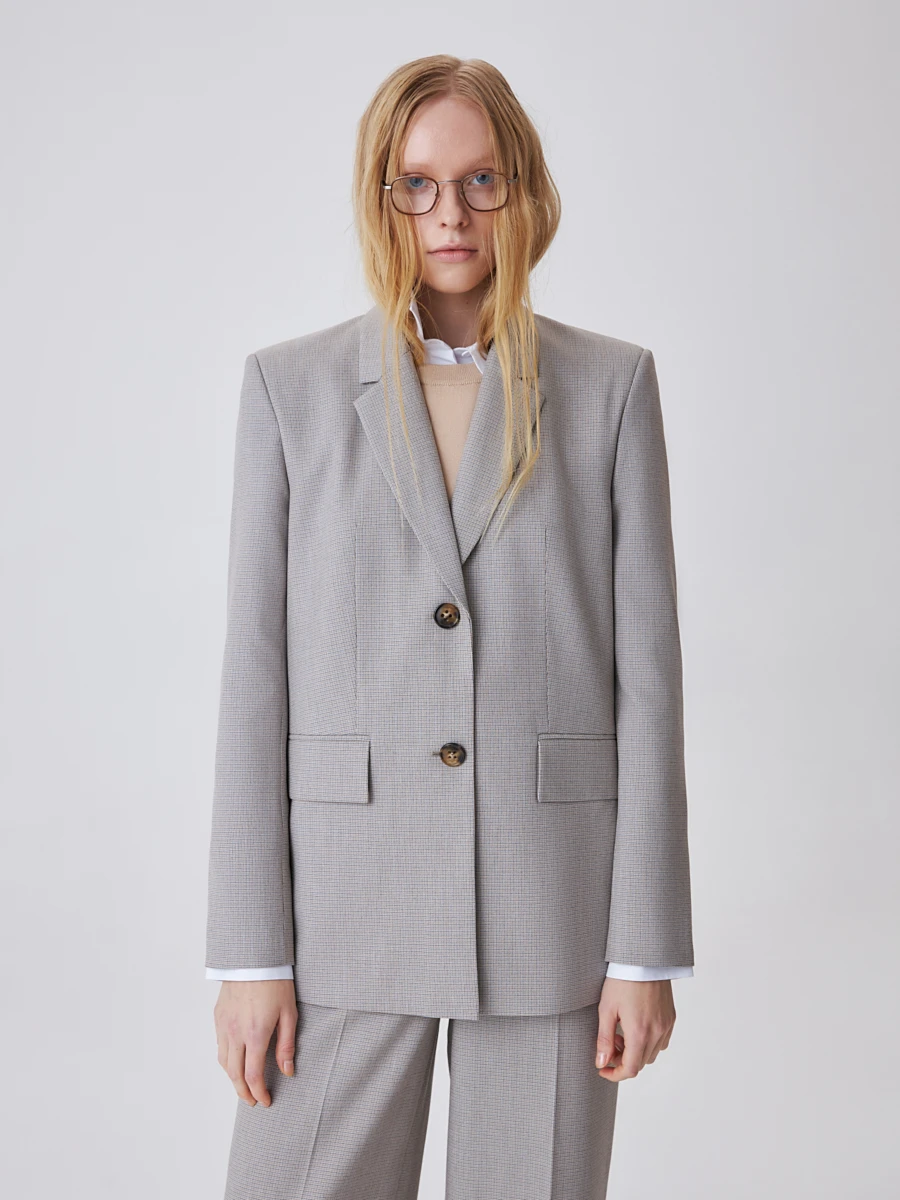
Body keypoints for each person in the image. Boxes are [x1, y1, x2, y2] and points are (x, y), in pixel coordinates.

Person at [205, 54, 694, 1200]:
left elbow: (650, 682)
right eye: (418, 183)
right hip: (344, 905)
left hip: (550, 904)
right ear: (383, 196)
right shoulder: (289, 391)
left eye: (480, 180)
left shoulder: (612, 389)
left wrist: (643, 946)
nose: (451, 214)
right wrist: (248, 951)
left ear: (522, 187)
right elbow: (255, 675)